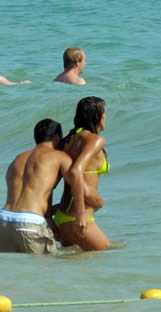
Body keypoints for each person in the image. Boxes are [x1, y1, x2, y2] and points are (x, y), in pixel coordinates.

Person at [0, 118, 85, 254]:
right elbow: (77, 183)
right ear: (56, 137)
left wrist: (49, 215)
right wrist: (81, 215)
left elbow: (32, 191)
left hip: (4, 221)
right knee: (53, 266)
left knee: (13, 272)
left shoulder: (18, 158)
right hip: (30, 223)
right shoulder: (59, 157)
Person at [54, 96, 111, 251]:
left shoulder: (69, 140)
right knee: (107, 252)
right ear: (96, 116)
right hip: (76, 218)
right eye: (103, 112)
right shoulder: (95, 140)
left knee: (79, 267)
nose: (106, 116)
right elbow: (75, 171)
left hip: (63, 216)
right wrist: (80, 215)